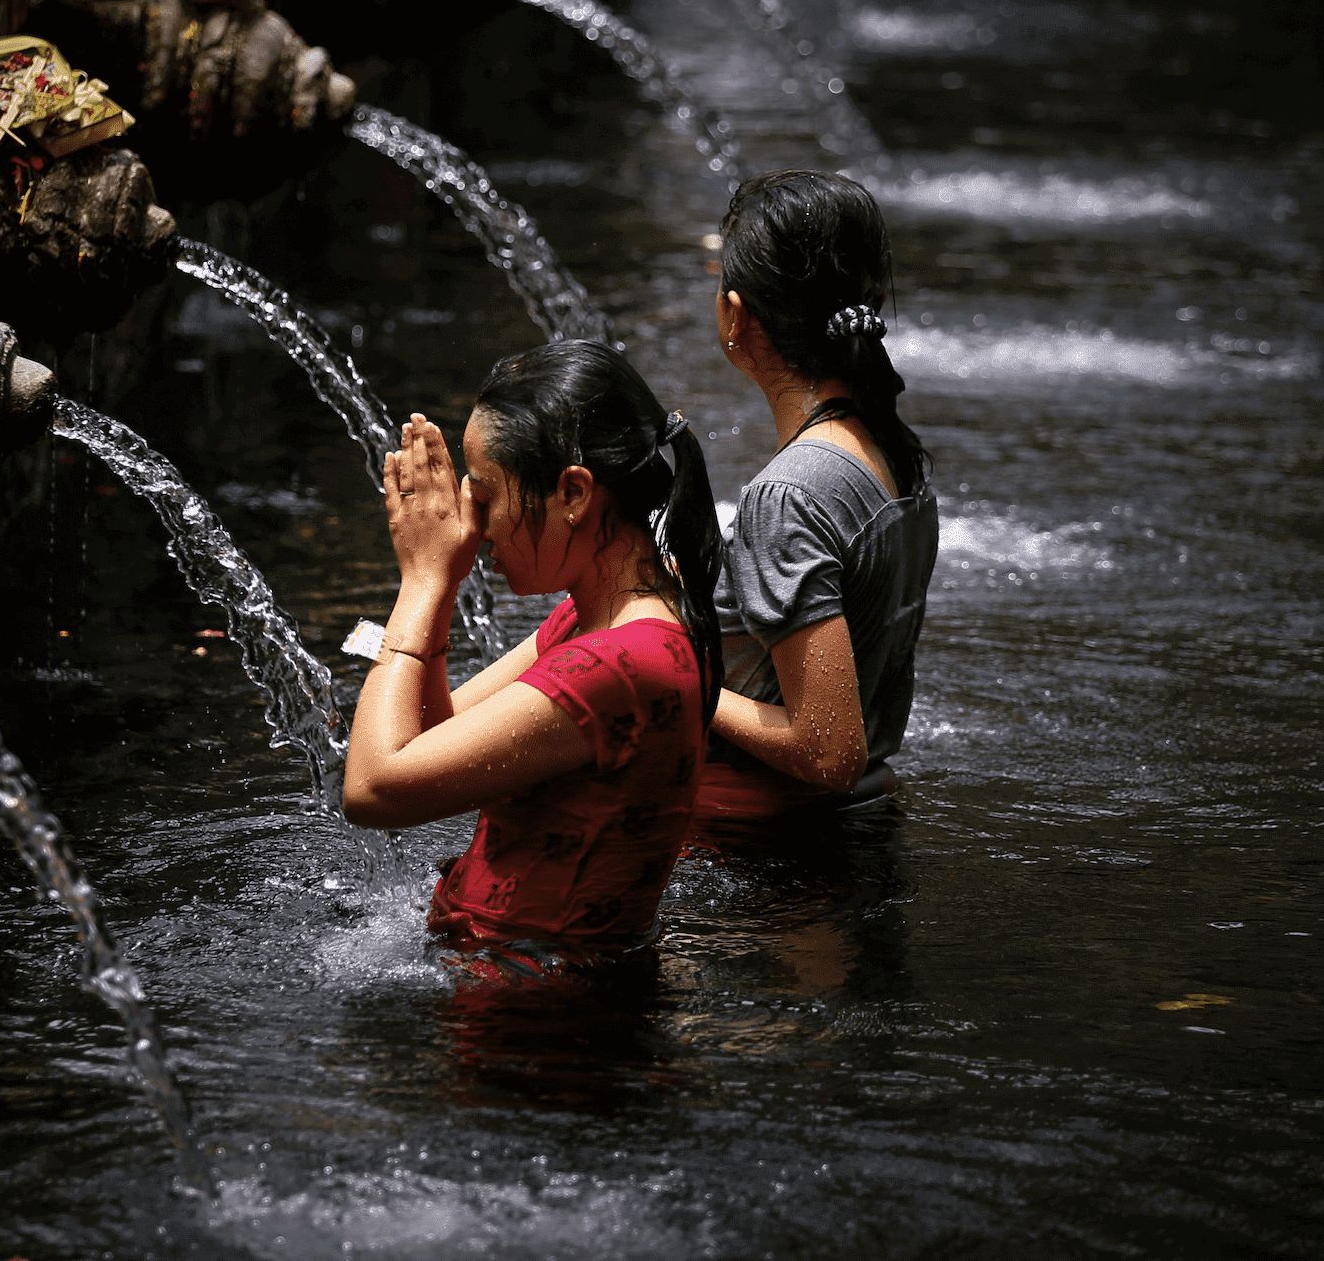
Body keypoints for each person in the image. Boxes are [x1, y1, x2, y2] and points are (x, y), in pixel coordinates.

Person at [341, 340, 724, 971]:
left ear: (574, 494)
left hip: (531, 1026)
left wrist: (423, 581)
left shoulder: (618, 666)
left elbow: (375, 788)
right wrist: (442, 586)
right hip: (516, 985)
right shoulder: (602, 615)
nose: (473, 520)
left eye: (486, 495)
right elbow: (434, 732)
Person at [698, 169, 939, 833]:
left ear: (735, 316)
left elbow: (828, 747)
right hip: (857, 827)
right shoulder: (894, 449)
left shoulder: (790, 493)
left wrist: (670, 682)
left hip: (774, 854)